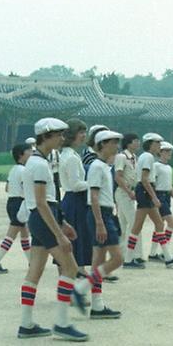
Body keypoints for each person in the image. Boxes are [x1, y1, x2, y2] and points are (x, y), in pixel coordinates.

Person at [17, 118, 88, 341]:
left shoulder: (38, 161)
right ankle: (62, 323)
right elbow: (41, 202)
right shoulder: (39, 164)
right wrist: (58, 232)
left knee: (35, 271)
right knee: (70, 267)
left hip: (40, 219)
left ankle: (26, 323)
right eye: (58, 134)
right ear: (45, 136)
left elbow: (45, 200)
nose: (61, 138)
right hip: (43, 218)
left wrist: (62, 223)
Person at [73, 130, 125, 319]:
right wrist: (100, 222)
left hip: (103, 213)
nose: (116, 146)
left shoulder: (103, 165)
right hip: (100, 215)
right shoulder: (96, 166)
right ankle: (81, 287)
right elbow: (93, 196)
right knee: (118, 258)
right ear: (102, 144)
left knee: (98, 262)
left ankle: (97, 305)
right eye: (113, 142)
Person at [123, 133, 173, 269]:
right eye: (158, 143)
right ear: (151, 144)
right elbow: (145, 179)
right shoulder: (148, 157)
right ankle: (166, 257)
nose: (159, 146)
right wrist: (154, 197)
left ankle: (132, 258)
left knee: (149, 225)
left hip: (145, 190)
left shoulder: (146, 157)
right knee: (148, 225)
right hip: (146, 191)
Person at [0, 143, 33, 274]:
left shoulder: (14, 169)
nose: (31, 153)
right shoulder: (24, 170)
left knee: (24, 234)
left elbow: (7, 188)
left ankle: (32, 261)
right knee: (11, 235)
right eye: (29, 151)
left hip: (12, 202)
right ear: (21, 154)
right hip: (20, 203)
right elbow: (27, 188)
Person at [58, 119, 93, 277]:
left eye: (84, 132)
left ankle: (77, 268)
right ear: (72, 135)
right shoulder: (71, 157)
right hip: (75, 199)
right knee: (76, 236)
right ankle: (73, 270)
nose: (83, 136)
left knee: (78, 235)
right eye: (80, 132)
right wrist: (93, 183)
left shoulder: (68, 154)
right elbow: (75, 184)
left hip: (72, 200)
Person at [150, 141, 173, 260]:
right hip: (159, 196)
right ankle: (165, 250)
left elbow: (169, 186)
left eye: (170, 151)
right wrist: (154, 198)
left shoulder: (168, 167)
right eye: (167, 151)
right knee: (171, 223)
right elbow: (152, 183)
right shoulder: (156, 166)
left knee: (159, 225)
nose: (169, 153)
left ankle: (153, 253)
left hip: (166, 196)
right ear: (160, 152)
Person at [114, 133, 140, 260]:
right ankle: (134, 254)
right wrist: (129, 192)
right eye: (135, 141)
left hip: (130, 192)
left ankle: (122, 254)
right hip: (124, 192)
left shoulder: (134, 157)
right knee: (134, 223)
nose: (138, 143)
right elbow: (118, 176)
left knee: (124, 224)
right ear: (129, 143)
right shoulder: (121, 157)